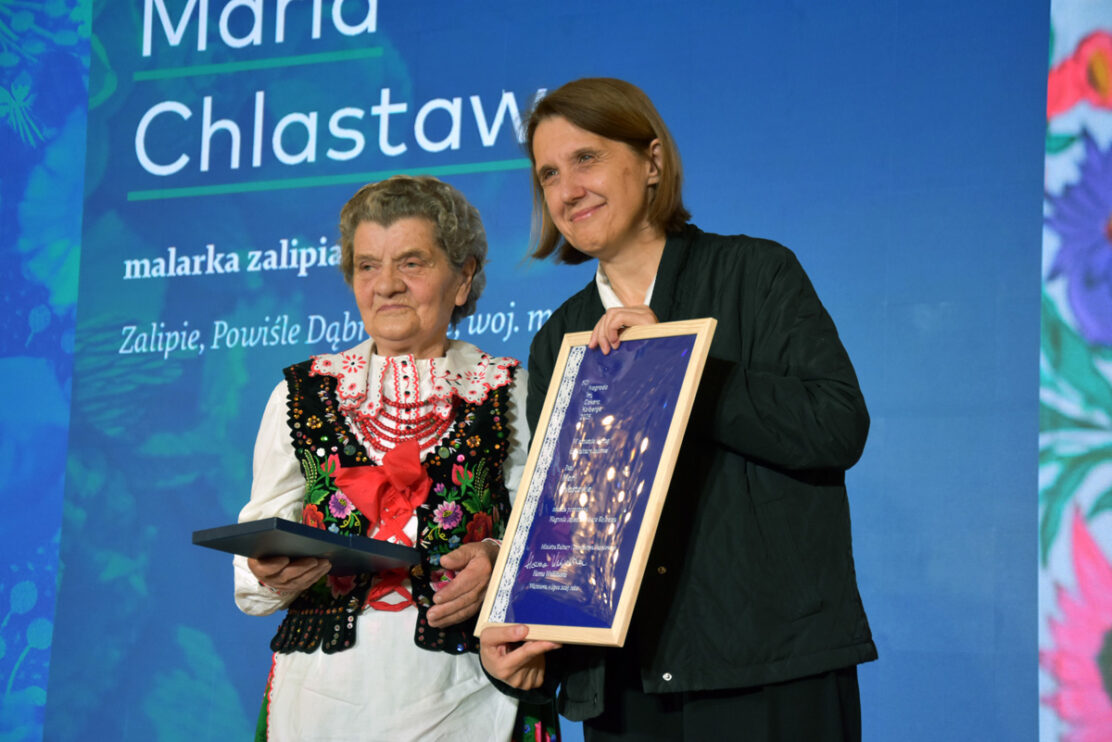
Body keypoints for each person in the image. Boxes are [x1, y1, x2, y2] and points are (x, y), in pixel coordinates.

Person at [479, 77, 876, 741]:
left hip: (769, 674)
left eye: (586, 158)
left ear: (653, 162)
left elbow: (835, 427)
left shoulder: (757, 272)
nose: (567, 190)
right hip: (627, 691)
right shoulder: (559, 338)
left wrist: (678, 366)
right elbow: (567, 526)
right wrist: (523, 648)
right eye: (548, 174)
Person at [233, 175, 555, 741]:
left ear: (463, 278)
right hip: (322, 696)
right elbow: (256, 556)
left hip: (467, 691)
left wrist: (497, 557)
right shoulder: (301, 393)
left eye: (412, 262)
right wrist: (269, 569)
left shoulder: (508, 391)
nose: (386, 285)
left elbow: (554, 543)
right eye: (367, 266)